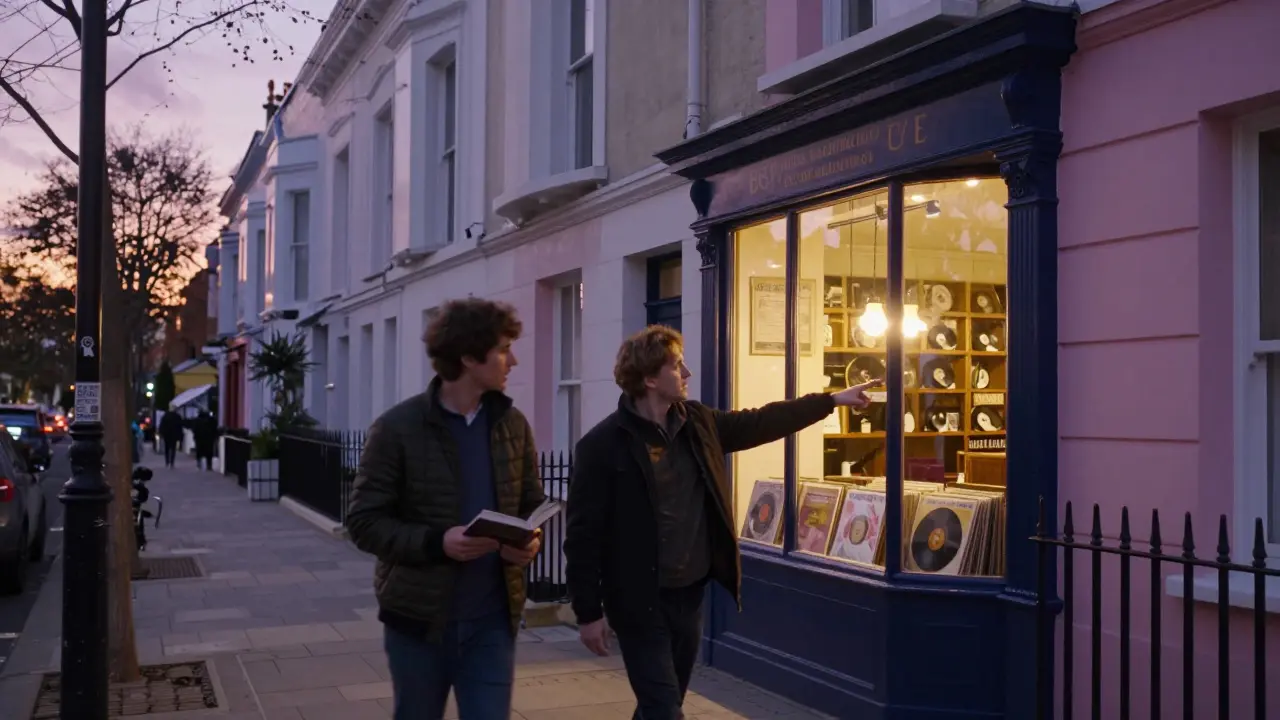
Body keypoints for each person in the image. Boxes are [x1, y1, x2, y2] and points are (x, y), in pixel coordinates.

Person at [564, 325, 876, 720]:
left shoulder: (698, 423)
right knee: (663, 709)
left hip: (690, 593)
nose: (687, 373)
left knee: (663, 702)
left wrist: (831, 400)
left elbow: (763, 421)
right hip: (638, 601)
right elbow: (582, 536)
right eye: (677, 366)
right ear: (648, 378)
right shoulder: (603, 446)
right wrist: (588, 612)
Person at [345, 297, 547, 720]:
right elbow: (363, 522)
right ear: (470, 357)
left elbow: (530, 505)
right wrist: (438, 543)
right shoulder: (397, 428)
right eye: (504, 350)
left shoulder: (513, 425)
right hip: (418, 622)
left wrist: (527, 544)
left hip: (493, 619)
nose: (513, 361)